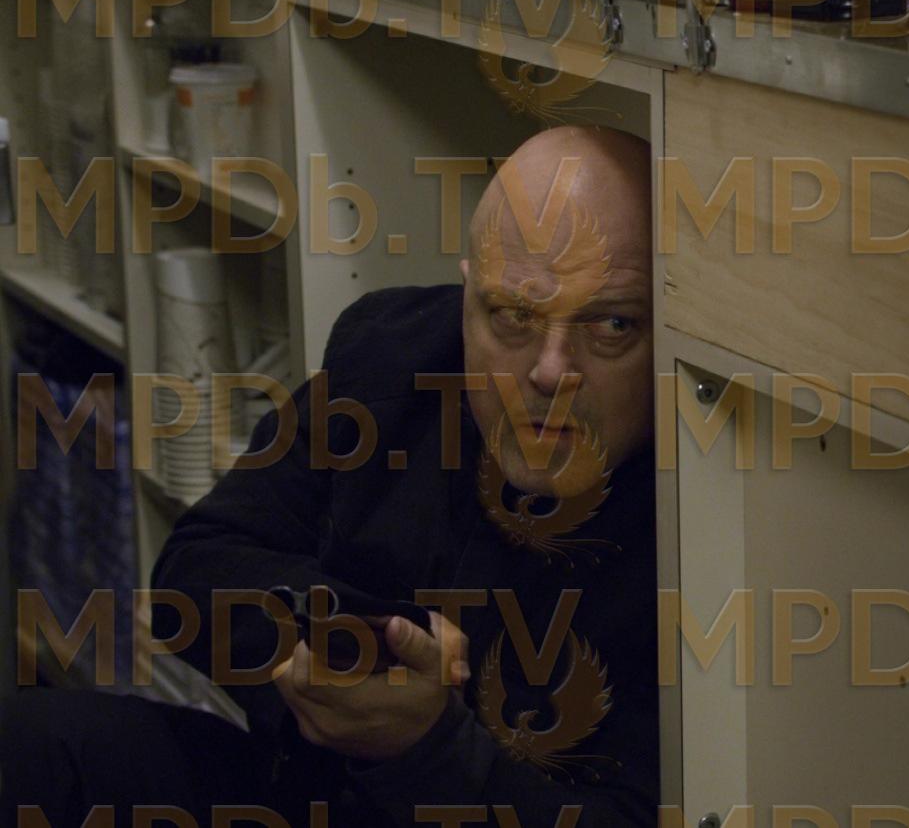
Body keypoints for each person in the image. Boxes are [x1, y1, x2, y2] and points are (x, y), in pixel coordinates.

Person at [0, 126, 660, 826]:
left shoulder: (697, 511)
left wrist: (431, 746)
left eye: (612, 326)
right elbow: (197, 567)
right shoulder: (395, 353)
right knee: (34, 750)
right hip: (311, 793)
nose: (552, 372)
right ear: (467, 297)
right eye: (514, 316)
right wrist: (359, 641)